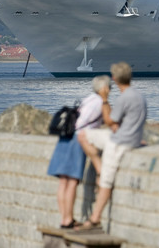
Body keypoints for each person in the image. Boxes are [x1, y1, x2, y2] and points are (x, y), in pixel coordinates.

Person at [75, 62, 147, 231]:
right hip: (133, 138)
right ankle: (99, 166)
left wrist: (105, 100)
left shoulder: (124, 98)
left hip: (120, 143)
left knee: (106, 181)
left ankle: (94, 219)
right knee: (86, 135)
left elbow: (109, 121)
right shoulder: (139, 96)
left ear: (114, 79)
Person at [46, 75, 110, 229]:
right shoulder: (100, 102)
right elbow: (105, 121)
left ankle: (64, 220)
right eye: (109, 87)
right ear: (103, 88)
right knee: (73, 181)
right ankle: (68, 220)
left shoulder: (87, 99)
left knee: (63, 181)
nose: (110, 90)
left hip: (65, 138)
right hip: (77, 140)